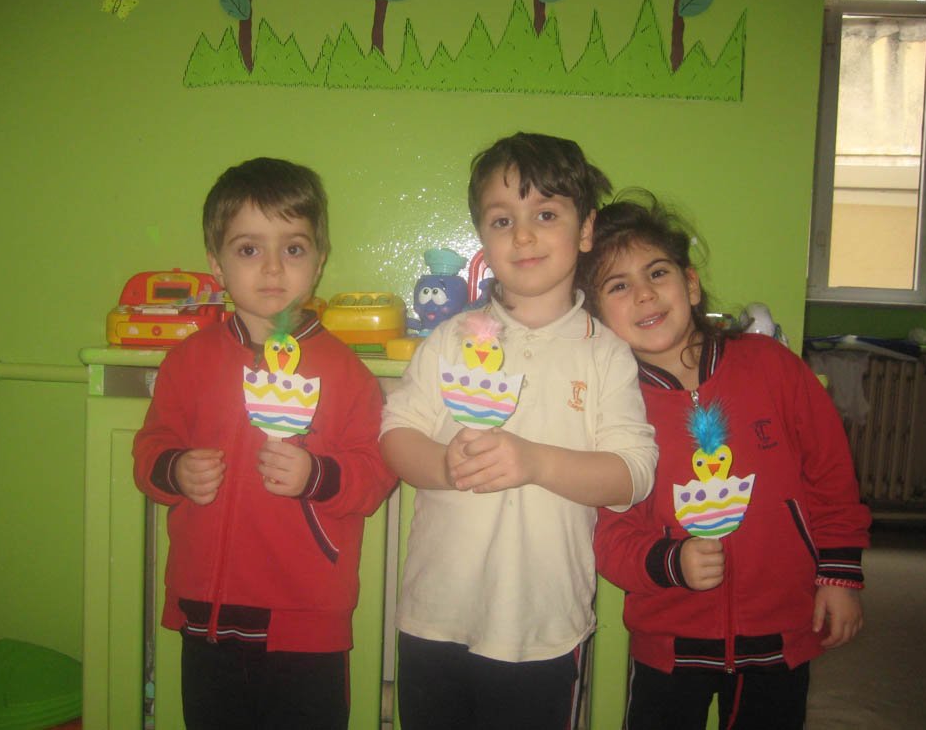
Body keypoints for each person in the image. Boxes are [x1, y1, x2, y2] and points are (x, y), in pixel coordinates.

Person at [380, 133, 659, 730]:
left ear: (585, 230)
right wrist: (443, 465)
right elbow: (397, 434)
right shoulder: (450, 339)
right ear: (483, 238)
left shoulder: (606, 354)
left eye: (546, 215)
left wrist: (535, 462)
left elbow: (633, 474)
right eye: (503, 220)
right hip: (435, 616)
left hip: (544, 629)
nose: (524, 236)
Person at [578, 190, 872, 730]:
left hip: (780, 631)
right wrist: (671, 561)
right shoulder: (608, 406)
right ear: (596, 315)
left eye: (657, 273)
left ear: (690, 284)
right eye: (618, 286)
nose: (644, 294)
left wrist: (839, 574)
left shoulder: (771, 366)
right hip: (670, 639)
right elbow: (607, 531)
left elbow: (831, 474)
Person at [132, 157, 398, 730]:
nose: (273, 267)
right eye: (249, 249)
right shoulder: (188, 363)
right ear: (217, 264)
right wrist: (175, 470)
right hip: (205, 616)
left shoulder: (345, 372)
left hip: (304, 622)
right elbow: (149, 450)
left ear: (318, 261)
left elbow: (376, 473)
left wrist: (315, 476)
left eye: (293, 248)